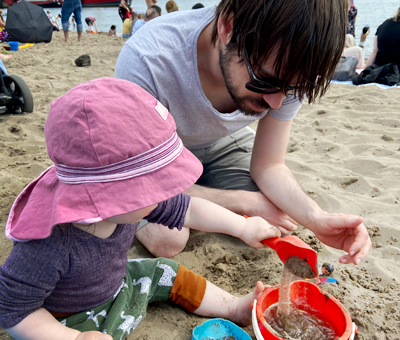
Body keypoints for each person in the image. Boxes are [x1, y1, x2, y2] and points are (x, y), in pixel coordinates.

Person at [0, 77, 279, 340]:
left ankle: (232, 308)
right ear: (106, 197)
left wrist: (242, 227)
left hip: (119, 284)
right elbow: (13, 310)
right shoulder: (49, 243)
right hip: (67, 323)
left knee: (164, 269)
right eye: (150, 187)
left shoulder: (127, 206)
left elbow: (189, 209)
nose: (163, 193)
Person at [115, 0, 371, 266]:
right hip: (158, 151)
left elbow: (269, 165)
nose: (276, 103)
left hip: (222, 143)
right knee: (168, 239)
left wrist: (317, 218)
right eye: (265, 81)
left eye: (293, 88)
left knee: (279, 219)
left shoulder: (291, 67)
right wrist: (242, 202)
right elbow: (142, 183)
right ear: (228, 26)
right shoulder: (148, 59)